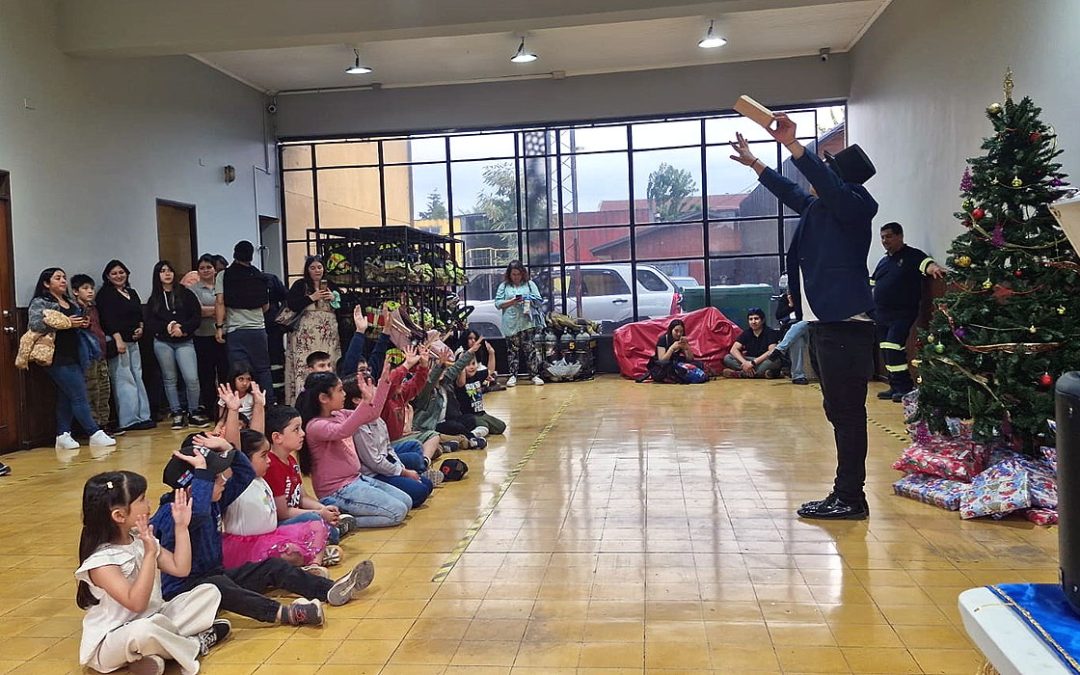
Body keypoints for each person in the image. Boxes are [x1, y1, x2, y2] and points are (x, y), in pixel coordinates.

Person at [730, 114, 878, 520]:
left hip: (846, 324)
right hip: (827, 324)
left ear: (841, 180)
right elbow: (790, 190)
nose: (820, 177)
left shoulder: (854, 205)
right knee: (839, 410)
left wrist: (794, 146)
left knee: (846, 413)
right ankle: (847, 493)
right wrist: (756, 164)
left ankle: (850, 496)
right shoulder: (821, 210)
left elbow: (824, 183)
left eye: (828, 171)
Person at [151, 434, 377, 628]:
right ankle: (285, 614)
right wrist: (201, 471)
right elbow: (197, 516)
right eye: (215, 478)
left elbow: (245, 474)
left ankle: (329, 589)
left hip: (215, 574)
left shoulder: (211, 500)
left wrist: (228, 448)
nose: (223, 482)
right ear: (195, 487)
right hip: (185, 592)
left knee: (273, 567)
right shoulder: (173, 514)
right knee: (221, 588)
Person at [75, 470, 229, 675]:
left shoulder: (138, 537)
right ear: (119, 515)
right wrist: (149, 555)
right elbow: (136, 602)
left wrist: (181, 528)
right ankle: (193, 644)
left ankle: (155, 657)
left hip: (155, 618)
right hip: (114, 640)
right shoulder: (101, 563)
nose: (148, 505)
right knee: (143, 631)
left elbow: (180, 568)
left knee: (209, 592)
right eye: (141, 500)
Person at [298, 369, 411, 528]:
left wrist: (384, 382)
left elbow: (372, 415)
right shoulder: (315, 426)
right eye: (339, 390)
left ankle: (345, 514)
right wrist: (365, 401)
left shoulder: (338, 414)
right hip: (337, 490)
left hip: (356, 479)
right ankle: (341, 521)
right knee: (397, 512)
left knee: (407, 501)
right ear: (323, 398)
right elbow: (344, 430)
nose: (344, 394)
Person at [221, 429, 332, 572]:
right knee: (288, 553)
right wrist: (233, 410)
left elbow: (258, 430)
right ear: (244, 460)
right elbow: (234, 451)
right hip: (247, 547)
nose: (268, 460)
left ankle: (314, 565)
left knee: (317, 524)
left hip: (272, 536)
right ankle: (311, 557)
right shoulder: (238, 483)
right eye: (263, 456)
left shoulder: (261, 479)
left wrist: (259, 406)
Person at [30, 268, 117, 450]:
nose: (63, 281)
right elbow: (36, 324)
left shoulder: (70, 301)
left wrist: (82, 323)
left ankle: (63, 434)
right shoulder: (41, 302)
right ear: (47, 283)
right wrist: (66, 322)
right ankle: (94, 431)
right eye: (58, 278)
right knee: (79, 394)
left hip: (76, 352)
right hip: (56, 354)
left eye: (64, 278)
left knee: (66, 396)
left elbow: (79, 323)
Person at [264, 404, 356, 557]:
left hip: (297, 515)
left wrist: (323, 509)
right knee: (314, 519)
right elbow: (283, 513)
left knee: (329, 505)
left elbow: (302, 497)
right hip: (282, 524)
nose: (302, 433)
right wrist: (319, 513)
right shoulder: (272, 465)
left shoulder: (291, 461)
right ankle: (326, 536)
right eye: (296, 429)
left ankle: (327, 531)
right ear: (277, 437)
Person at [872, 222, 945, 402]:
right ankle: (894, 385)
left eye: (888, 236)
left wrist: (934, 268)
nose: (885, 241)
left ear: (900, 236)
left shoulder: (912, 255)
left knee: (894, 347)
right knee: (886, 350)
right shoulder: (883, 262)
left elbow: (926, 264)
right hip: (882, 314)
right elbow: (873, 283)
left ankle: (905, 387)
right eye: (882, 237)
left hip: (902, 312)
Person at [342, 375, 434, 508]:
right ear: (357, 400)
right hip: (374, 474)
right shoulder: (359, 426)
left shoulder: (376, 417)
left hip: (385, 464)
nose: (376, 391)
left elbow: (388, 449)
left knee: (427, 484)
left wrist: (401, 469)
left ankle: (415, 475)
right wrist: (404, 473)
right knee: (420, 491)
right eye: (371, 388)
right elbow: (375, 463)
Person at [146, 261, 211, 431]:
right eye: (162, 271)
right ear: (157, 275)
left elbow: (196, 317)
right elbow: (151, 322)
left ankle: (194, 411)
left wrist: (182, 328)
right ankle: (176, 412)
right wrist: (168, 327)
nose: (167, 274)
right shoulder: (154, 298)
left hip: (184, 341)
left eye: (170, 270)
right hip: (163, 342)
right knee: (169, 378)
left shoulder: (186, 294)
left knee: (191, 378)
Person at [97, 260, 154, 433]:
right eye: (114, 273)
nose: (118, 276)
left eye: (121, 272)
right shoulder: (105, 295)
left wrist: (141, 328)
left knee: (137, 376)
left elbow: (139, 315)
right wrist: (118, 339)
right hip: (118, 341)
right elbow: (107, 319)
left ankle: (143, 415)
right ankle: (129, 420)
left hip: (134, 340)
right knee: (123, 379)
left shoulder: (132, 292)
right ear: (107, 276)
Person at [215, 241, 274, 404]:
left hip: (236, 330)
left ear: (234, 254)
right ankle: (267, 406)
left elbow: (220, 302)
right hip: (258, 330)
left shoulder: (224, 275)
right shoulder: (259, 275)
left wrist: (219, 327)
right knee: (262, 370)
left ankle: (239, 409)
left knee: (238, 372)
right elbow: (266, 306)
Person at [284, 255, 341, 403]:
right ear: (307, 270)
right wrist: (311, 298)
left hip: (328, 336)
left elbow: (344, 306)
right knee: (304, 367)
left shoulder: (331, 285)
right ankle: (302, 401)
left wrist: (334, 298)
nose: (317, 271)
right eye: (313, 268)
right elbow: (292, 304)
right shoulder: (300, 285)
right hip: (305, 336)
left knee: (328, 364)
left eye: (319, 267)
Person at [71, 274, 115, 430]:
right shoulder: (75, 309)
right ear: (75, 291)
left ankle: (104, 422)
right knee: (92, 390)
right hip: (87, 354)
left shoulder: (93, 308)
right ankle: (93, 425)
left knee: (104, 389)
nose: (90, 291)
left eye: (91, 288)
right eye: (85, 288)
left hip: (100, 352)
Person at [189, 254, 230, 414]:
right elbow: (197, 311)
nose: (206, 270)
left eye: (209, 267)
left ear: (215, 269)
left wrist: (213, 311)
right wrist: (219, 309)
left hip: (223, 335)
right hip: (202, 336)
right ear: (197, 271)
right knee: (206, 374)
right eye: (202, 268)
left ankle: (226, 407)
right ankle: (210, 409)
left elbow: (230, 310)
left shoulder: (223, 286)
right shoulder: (192, 290)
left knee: (224, 372)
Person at [493, 260, 544, 386]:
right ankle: (512, 376)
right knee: (512, 351)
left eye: (518, 274)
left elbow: (539, 300)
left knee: (530, 349)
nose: (516, 277)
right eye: (513, 274)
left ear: (523, 273)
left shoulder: (530, 284)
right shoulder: (504, 286)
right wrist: (512, 301)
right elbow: (498, 304)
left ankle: (534, 375)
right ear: (509, 274)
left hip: (527, 322)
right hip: (510, 324)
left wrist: (528, 299)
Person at [454, 339, 507, 435]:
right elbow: (461, 383)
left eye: (473, 364)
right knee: (483, 425)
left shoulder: (477, 375)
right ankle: (472, 436)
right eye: (467, 365)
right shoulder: (459, 380)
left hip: (481, 413)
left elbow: (490, 370)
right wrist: (461, 364)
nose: (471, 367)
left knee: (501, 426)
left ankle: (479, 430)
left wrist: (491, 353)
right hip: (468, 416)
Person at [723, 308, 782, 379]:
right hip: (750, 360)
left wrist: (753, 363)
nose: (753, 322)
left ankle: (741, 374)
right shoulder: (746, 333)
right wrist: (745, 363)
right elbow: (733, 350)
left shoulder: (770, 332)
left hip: (764, 360)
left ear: (762, 320)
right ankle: (768, 374)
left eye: (756, 319)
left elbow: (771, 351)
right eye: (751, 319)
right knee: (728, 358)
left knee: (776, 361)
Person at [644, 319, 708, 384]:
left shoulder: (681, 340)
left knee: (697, 364)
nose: (679, 334)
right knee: (671, 368)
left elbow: (690, 359)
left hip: (675, 362)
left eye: (681, 331)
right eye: (676, 331)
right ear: (671, 330)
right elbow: (662, 360)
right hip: (663, 366)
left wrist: (687, 348)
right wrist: (672, 348)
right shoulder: (663, 339)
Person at [773, 290, 810, 385]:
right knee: (798, 340)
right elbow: (779, 315)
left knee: (803, 323)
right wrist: (790, 305)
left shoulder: (808, 295)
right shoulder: (785, 298)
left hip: (810, 328)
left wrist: (798, 303)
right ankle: (798, 376)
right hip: (790, 331)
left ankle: (780, 348)